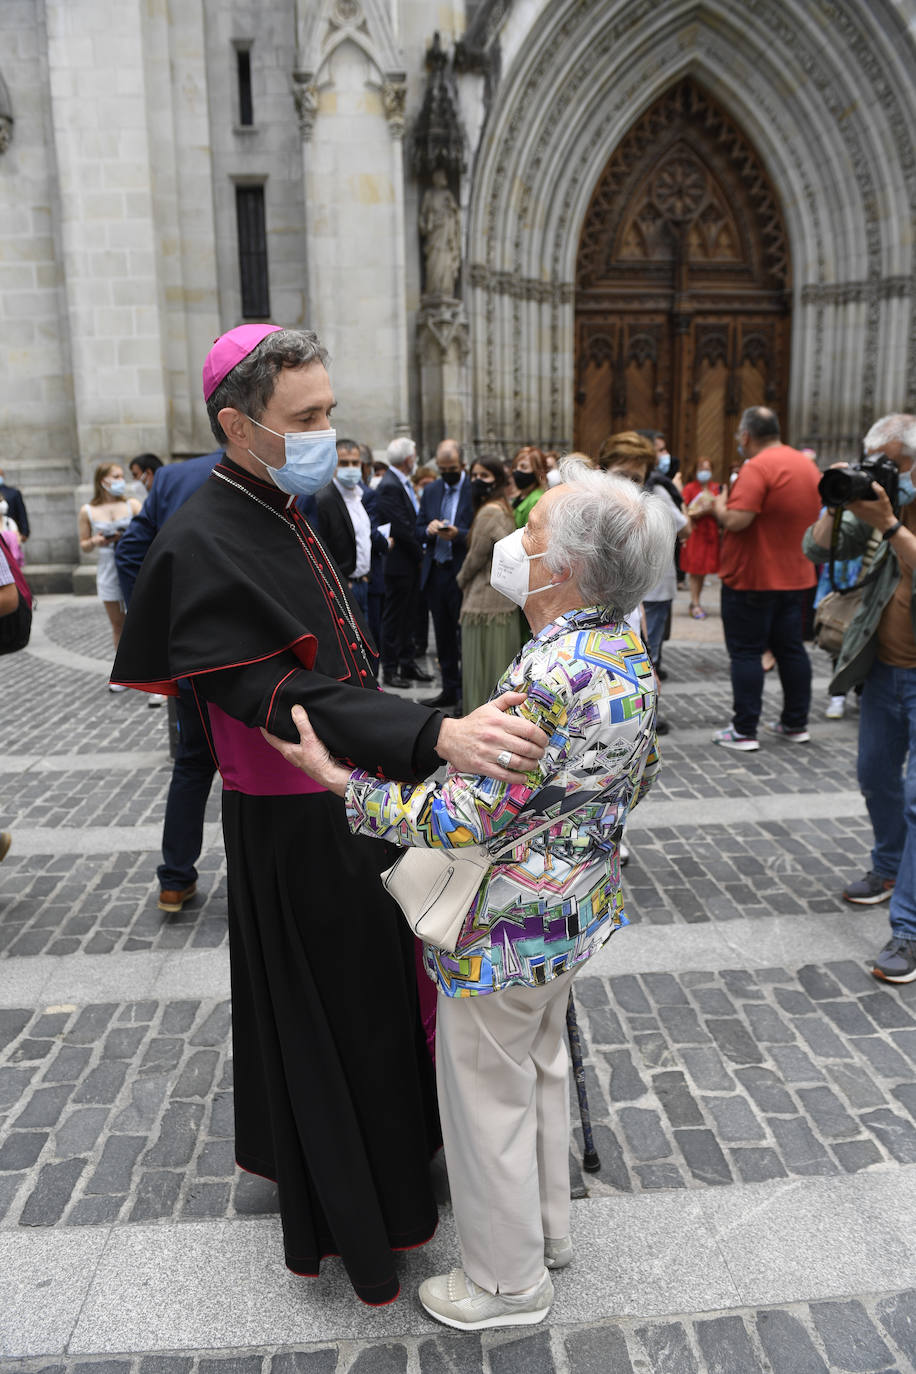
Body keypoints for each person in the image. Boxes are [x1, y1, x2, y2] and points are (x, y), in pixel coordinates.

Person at [111, 323, 551, 1306]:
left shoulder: (278, 501)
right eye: (305, 418)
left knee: (375, 998)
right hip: (297, 822)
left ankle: (371, 1157)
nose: (326, 434)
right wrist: (436, 734)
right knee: (342, 1015)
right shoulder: (204, 535)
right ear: (238, 423)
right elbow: (286, 690)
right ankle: (368, 1208)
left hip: (347, 799)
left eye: (328, 412)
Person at [264, 458, 672, 1329]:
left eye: (532, 534)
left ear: (561, 570)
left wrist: (341, 783)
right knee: (540, 1069)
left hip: (503, 930)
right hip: (572, 913)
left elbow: (459, 819)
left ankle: (505, 1283)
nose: (517, 544)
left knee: (486, 1097)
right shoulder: (624, 647)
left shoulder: (551, 674)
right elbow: (630, 783)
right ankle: (546, 1231)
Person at [802, 413, 916, 983]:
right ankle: (889, 865)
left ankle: (909, 932)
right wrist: (837, 499)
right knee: (875, 775)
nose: (886, 472)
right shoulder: (878, 504)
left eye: (893, 462)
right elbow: (817, 552)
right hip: (887, 668)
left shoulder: (894, 515)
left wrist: (893, 525)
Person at [116, 450, 223, 910]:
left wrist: (163, 619)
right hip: (259, 655)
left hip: (191, 653)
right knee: (252, 770)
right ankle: (256, 880)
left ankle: (174, 880)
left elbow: (129, 553)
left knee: (194, 764)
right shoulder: (272, 467)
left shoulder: (173, 477)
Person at [710, 406, 821, 751]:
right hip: (796, 575)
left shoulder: (757, 467)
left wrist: (717, 506)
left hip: (753, 577)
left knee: (745, 652)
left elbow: (738, 520)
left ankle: (744, 730)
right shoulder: (806, 464)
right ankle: (795, 722)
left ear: (746, 435)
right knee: (791, 650)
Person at [595, 432, 686, 705]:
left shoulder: (640, 523)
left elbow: (637, 599)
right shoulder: (584, 517)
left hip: (627, 631)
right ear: (603, 472)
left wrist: (646, 653)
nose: (628, 486)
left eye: (636, 479)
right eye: (621, 475)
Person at [457, 457, 520, 713]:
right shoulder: (503, 508)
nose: (476, 481)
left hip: (483, 605)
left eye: (484, 475)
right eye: (473, 475)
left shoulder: (489, 512)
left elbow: (476, 557)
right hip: (503, 603)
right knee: (498, 674)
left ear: (497, 479)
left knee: (481, 676)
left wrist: (460, 579)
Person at [417, 439, 472, 711]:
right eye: (442, 468)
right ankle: (448, 689)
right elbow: (416, 528)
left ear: (462, 465)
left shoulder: (473, 490)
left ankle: (466, 693)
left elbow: (484, 532)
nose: (446, 473)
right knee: (443, 636)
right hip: (436, 573)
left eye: (451, 468)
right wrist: (428, 529)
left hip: (462, 573)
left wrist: (458, 535)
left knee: (464, 638)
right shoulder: (432, 490)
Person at [375, 436, 434, 689]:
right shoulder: (390, 485)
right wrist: (421, 554)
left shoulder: (400, 482)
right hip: (399, 564)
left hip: (408, 564)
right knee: (395, 618)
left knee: (409, 616)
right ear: (409, 459)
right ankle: (390, 669)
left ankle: (407, 664)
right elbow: (401, 527)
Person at [78, 462, 142, 689]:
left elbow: (146, 530)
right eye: (115, 476)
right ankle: (125, 672)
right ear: (102, 480)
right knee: (118, 624)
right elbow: (84, 545)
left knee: (141, 617)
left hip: (133, 563)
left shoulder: (132, 504)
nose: (120, 480)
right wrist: (96, 541)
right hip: (107, 565)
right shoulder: (88, 511)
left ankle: (149, 671)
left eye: (121, 476)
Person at [312, 438, 387, 624]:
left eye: (355, 463)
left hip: (363, 584)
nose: (351, 468)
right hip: (344, 586)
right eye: (344, 463)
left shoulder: (360, 496)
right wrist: (341, 581)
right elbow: (320, 548)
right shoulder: (324, 500)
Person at [680, 457, 722, 618]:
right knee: (695, 568)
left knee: (704, 569)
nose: (704, 472)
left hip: (710, 532)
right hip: (696, 532)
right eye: (701, 468)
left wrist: (712, 510)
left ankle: (697, 600)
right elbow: (685, 510)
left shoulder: (716, 488)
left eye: (707, 469)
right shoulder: (690, 488)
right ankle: (695, 602)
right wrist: (696, 512)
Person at [510, 446, 549, 528]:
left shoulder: (537, 501)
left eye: (523, 467)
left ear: (538, 472)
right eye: (515, 467)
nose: (517, 471)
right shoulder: (520, 496)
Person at [0, 467, 29, 545]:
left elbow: (21, 514)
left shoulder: (13, 493)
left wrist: (24, 533)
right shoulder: (14, 493)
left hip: (9, 529)